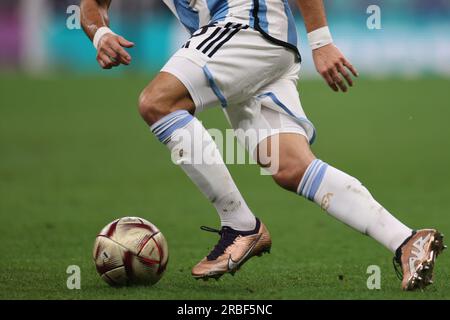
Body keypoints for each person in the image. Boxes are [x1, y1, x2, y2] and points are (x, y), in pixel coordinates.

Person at [80, 0, 445, 290]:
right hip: (256, 43)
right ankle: (408, 240)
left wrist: (322, 40)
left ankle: (239, 225)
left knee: (157, 102)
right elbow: (92, 6)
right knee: (290, 167)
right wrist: (100, 34)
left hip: (247, 25)